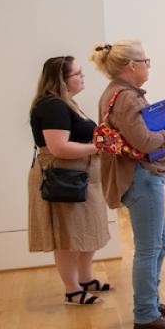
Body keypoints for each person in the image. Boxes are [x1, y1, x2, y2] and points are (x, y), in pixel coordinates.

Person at [92, 41, 165, 329]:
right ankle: (145, 314)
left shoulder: (114, 94)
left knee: (161, 242)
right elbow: (143, 142)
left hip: (136, 176)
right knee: (148, 248)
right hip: (141, 177)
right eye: (146, 60)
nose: (149, 66)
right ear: (132, 66)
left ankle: (151, 302)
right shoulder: (127, 98)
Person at [28, 56, 112, 305]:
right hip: (64, 178)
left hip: (80, 177)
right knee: (68, 237)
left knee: (86, 230)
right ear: (62, 80)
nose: (83, 77)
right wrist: (97, 147)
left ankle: (85, 278)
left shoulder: (68, 103)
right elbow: (59, 148)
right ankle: (72, 289)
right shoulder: (52, 106)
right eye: (78, 74)